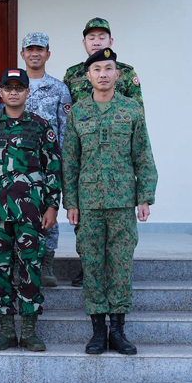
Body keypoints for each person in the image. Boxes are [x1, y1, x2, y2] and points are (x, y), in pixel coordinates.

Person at [62, 48, 158, 355]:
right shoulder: (77, 112)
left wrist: (145, 196)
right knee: (91, 265)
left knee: (120, 266)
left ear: (118, 74)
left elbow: (143, 155)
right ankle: (97, 330)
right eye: (97, 69)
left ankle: (117, 330)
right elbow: (69, 161)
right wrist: (71, 201)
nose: (103, 74)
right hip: (88, 204)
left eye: (108, 68)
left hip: (122, 203)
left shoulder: (131, 110)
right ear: (87, 76)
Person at [0, 68, 61, 352]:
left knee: (30, 268)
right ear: (0, 92)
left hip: (31, 214)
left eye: (18, 88)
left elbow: (53, 169)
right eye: (8, 87)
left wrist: (52, 206)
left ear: (27, 92)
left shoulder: (40, 126)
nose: (13, 92)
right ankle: (6, 329)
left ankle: (31, 330)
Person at [62, 17, 144, 288]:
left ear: (111, 41)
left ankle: (115, 275)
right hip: (87, 159)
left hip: (118, 166)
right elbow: (69, 118)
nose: (96, 41)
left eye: (102, 36)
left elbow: (137, 121)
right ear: (84, 42)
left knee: (119, 235)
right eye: (91, 37)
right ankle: (89, 267)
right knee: (86, 228)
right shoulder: (73, 74)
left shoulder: (126, 72)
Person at [20, 32, 72, 288]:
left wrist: (62, 164)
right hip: (17, 165)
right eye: (30, 49)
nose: (35, 53)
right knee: (18, 212)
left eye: (40, 49)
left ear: (48, 54)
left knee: (49, 214)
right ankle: (21, 262)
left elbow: (65, 129)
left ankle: (47, 262)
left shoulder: (59, 88)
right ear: (22, 55)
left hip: (48, 164)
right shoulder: (13, 84)